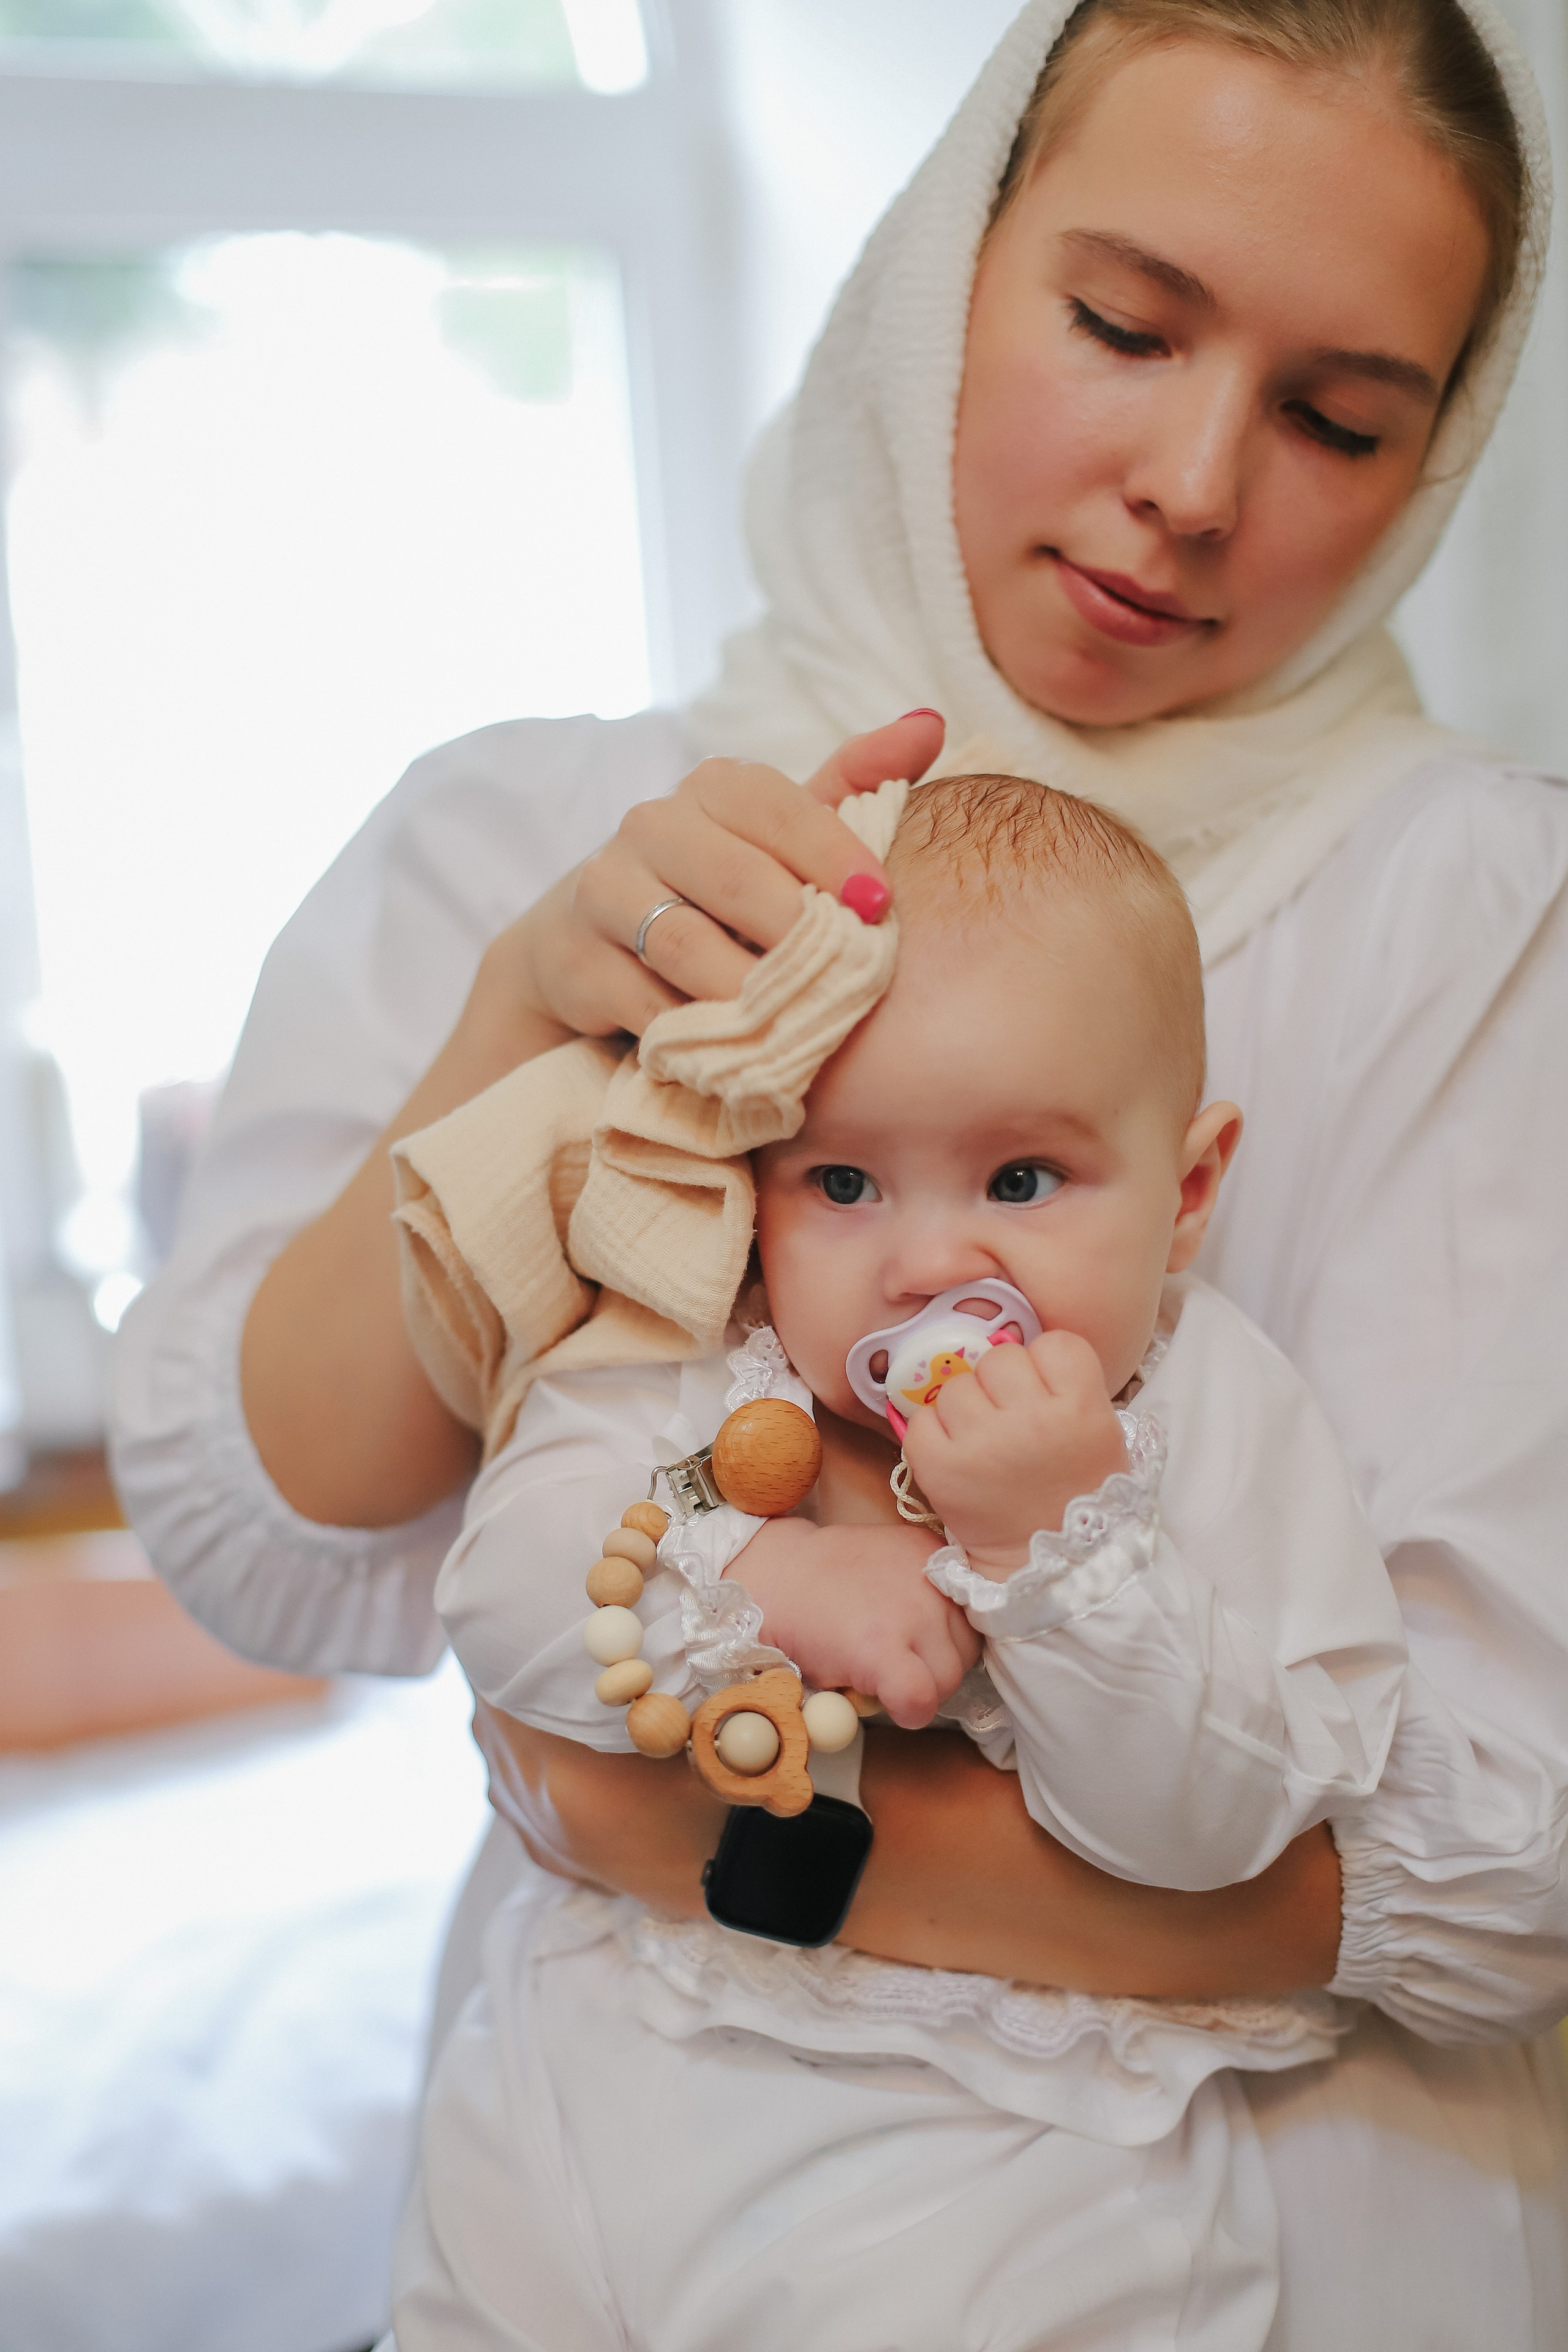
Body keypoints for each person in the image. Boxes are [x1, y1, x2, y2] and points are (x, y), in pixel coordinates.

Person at [110, 0, 1568, 2342]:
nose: (1196, 479)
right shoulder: (531, 833)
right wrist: (527, 1026)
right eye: (1122, 323)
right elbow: (276, 1532)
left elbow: (1506, 1869)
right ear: (939, 270)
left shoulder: (1488, 918)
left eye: (1336, 415)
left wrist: (690, 1825)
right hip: (609, 2221)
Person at [394, 772, 1409, 2346]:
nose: (927, 1261)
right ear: (753, 1179)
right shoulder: (713, 1370)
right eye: (843, 1183)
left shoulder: (1198, 1419)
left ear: (1187, 1192)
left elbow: (1213, 1828)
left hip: (1002, 2123)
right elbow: (504, 1592)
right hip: (593, 2052)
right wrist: (772, 1581)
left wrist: (1056, 1554)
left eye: (1019, 1181)